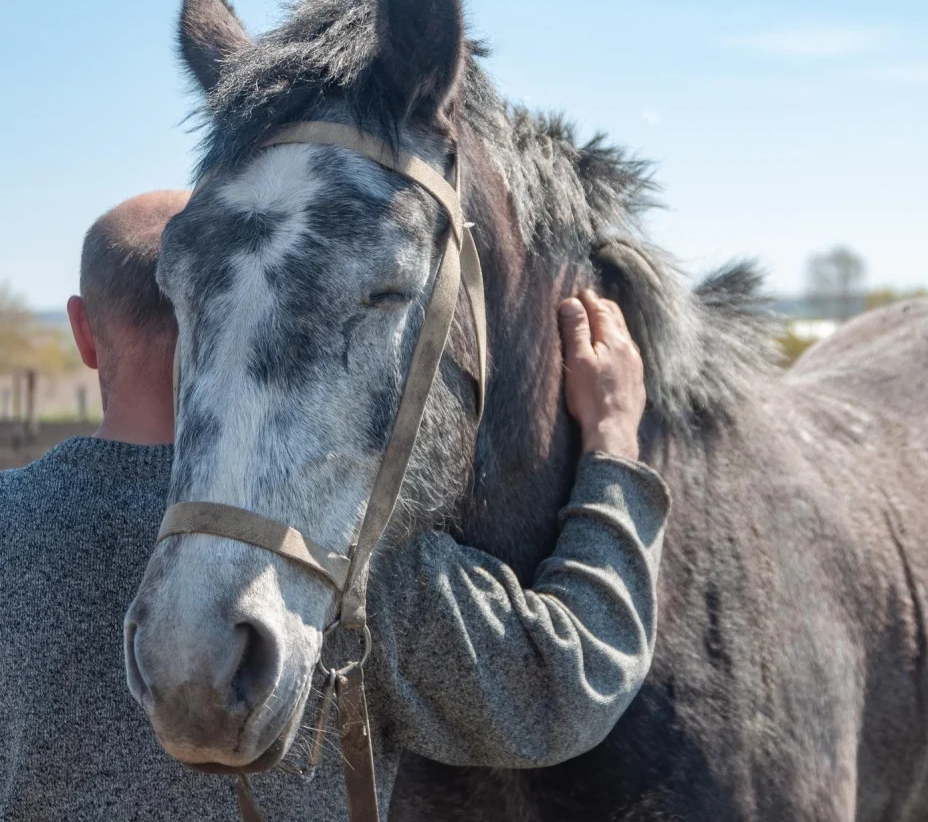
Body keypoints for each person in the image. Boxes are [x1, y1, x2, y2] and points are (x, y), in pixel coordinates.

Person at [0, 191, 669, 820]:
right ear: (243, 312)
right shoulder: (349, 559)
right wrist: (613, 438)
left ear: (84, 333)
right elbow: (564, 686)